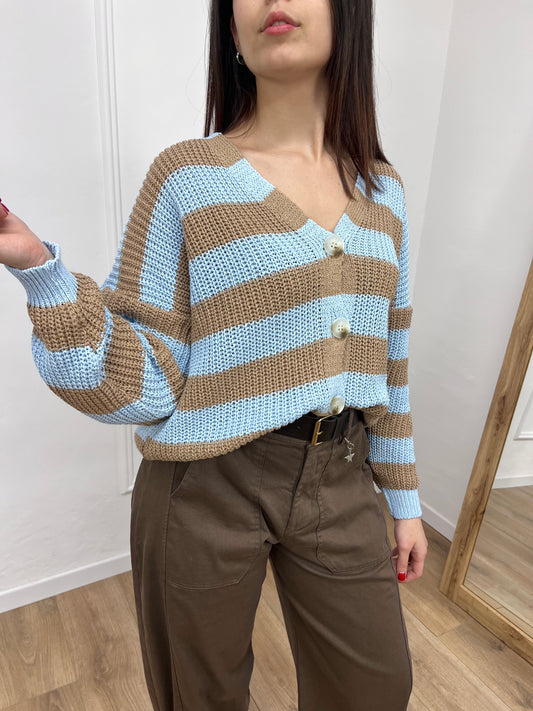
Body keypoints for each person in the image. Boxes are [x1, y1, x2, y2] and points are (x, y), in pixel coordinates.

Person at [1, 1, 428, 709]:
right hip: (204, 485)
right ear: (231, 29)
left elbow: (393, 366)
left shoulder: (384, 194)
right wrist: (44, 276)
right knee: (198, 696)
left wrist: (405, 502)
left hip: (341, 471)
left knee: (375, 687)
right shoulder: (186, 177)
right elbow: (150, 374)